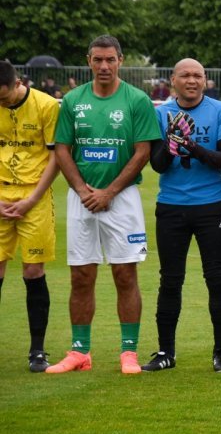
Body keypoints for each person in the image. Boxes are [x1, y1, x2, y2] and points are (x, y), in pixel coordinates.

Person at [47, 35, 159, 375]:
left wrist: (108, 192)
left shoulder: (137, 100)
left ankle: (129, 352)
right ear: (89, 61)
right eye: (98, 60)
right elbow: (62, 148)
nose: (104, 66)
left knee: (125, 274)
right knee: (81, 275)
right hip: (81, 198)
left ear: (121, 61)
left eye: (110, 59)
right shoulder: (72, 100)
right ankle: (80, 351)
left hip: (121, 199)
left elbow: (143, 151)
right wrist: (82, 189)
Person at [142, 58, 221, 372]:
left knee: (216, 279)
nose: (192, 80)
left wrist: (190, 145)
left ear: (206, 80)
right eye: (185, 75)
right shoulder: (160, 114)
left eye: (198, 75)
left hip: (211, 207)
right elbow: (157, 165)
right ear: (173, 80)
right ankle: (165, 352)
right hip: (171, 206)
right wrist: (171, 143)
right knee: (170, 281)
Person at [0, 60, 59, 372]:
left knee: (33, 271)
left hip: (33, 198)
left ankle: (37, 350)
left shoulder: (46, 106)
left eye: (5, 97)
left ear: (18, 82)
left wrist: (32, 198)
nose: (3, 102)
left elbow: (55, 157)